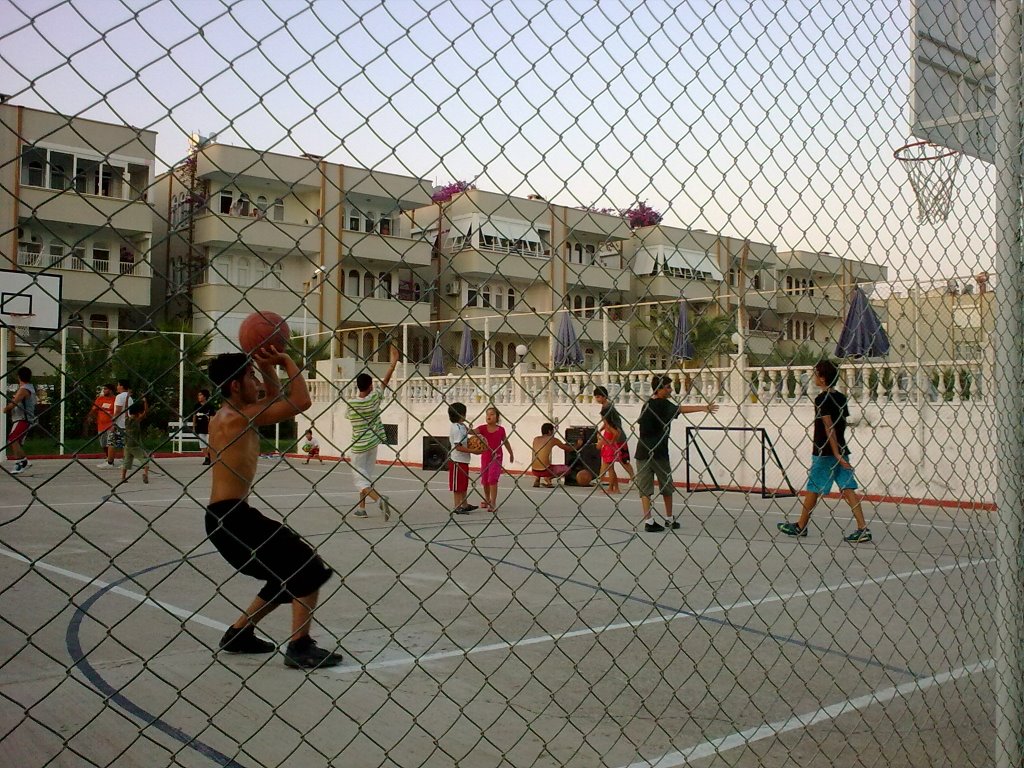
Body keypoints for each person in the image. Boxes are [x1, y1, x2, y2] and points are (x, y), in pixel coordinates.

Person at [205, 348, 342, 670]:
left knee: (285, 576)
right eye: (251, 376)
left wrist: (265, 367)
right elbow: (300, 402)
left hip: (229, 517)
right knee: (307, 568)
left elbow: (276, 395)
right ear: (236, 385)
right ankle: (300, 646)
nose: (257, 381)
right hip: (232, 519)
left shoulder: (234, 412)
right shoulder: (236, 417)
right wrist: (285, 361)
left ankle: (239, 633)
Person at [777, 360, 871, 543]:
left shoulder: (822, 399)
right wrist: (840, 450)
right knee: (848, 486)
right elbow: (841, 425)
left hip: (824, 451)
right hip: (840, 448)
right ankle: (862, 528)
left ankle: (800, 526)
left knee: (813, 487)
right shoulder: (841, 398)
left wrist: (835, 452)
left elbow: (829, 427)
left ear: (822, 377)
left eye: (816, 374)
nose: (814, 377)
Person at [635, 375, 718, 532]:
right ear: (659, 389)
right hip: (658, 452)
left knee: (645, 488)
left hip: (642, 450)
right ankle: (669, 518)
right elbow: (681, 409)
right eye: (667, 387)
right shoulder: (663, 405)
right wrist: (703, 408)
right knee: (666, 485)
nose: (670, 390)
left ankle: (649, 520)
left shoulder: (647, 405)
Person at [345, 344, 399, 520]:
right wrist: (392, 364)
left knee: (360, 480)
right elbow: (385, 381)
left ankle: (380, 500)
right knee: (366, 477)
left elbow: (348, 417)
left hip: (358, 446)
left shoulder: (352, 404)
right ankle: (362, 508)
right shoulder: (374, 398)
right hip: (373, 442)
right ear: (369, 385)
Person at [594, 386, 635, 493]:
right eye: (596, 397)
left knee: (623, 460)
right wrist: (601, 430)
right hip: (612, 435)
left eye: (598, 397)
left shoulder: (607, 408)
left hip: (617, 437)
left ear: (604, 396)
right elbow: (607, 424)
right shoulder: (606, 407)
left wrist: (605, 437)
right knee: (612, 463)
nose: (597, 399)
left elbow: (610, 425)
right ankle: (613, 486)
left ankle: (633, 479)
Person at [476, 406, 514, 512]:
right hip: (485, 456)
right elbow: (474, 431)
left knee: (492, 479)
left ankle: (493, 502)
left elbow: (505, 441)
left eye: (492, 414)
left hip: (496, 457)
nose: (489, 416)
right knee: (485, 479)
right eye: (487, 414)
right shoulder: (483, 428)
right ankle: (487, 499)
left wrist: (511, 453)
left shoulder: (500, 430)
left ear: (497, 417)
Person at [3, 366, 36, 475]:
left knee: (13, 439)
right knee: (16, 441)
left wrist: (6, 409)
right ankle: (21, 462)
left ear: (19, 377)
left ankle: (22, 462)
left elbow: (13, 403)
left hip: (23, 419)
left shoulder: (23, 390)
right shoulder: (29, 388)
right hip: (21, 419)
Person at [448, 401, 480, 513]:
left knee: (463, 484)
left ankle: (465, 504)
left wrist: (479, 434)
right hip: (457, 460)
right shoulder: (456, 428)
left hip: (464, 460)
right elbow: (458, 447)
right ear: (461, 414)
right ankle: (457, 506)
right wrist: (473, 450)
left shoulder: (462, 426)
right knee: (457, 486)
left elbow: (469, 431)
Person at [530, 423, 571, 488]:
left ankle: (537, 479)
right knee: (567, 469)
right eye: (553, 431)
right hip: (546, 471)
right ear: (549, 431)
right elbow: (568, 449)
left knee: (540, 459)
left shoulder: (536, 439)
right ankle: (548, 478)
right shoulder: (552, 439)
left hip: (534, 470)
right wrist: (578, 445)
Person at [120, 400, 150, 485]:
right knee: (145, 459)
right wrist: (145, 401)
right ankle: (145, 474)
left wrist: (127, 398)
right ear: (137, 413)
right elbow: (146, 411)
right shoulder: (137, 421)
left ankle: (123, 477)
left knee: (126, 461)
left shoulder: (126, 420)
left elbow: (125, 409)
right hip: (135, 445)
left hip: (127, 445)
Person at [106, 380, 134, 469]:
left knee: (111, 442)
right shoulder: (129, 398)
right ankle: (126, 462)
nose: (117, 387)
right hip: (127, 424)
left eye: (118, 385)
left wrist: (113, 423)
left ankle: (110, 463)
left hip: (119, 424)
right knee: (124, 444)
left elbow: (118, 411)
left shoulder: (119, 397)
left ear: (121, 386)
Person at [90, 383, 116, 469]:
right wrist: (91, 417)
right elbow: (94, 410)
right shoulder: (100, 399)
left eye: (106, 389)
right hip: (101, 425)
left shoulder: (115, 399)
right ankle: (108, 457)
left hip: (111, 425)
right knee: (103, 444)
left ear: (111, 390)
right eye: (103, 389)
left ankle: (110, 461)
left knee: (110, 443)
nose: (104, 391)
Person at [192, 389, 215, 465]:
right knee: (202, 443)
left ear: (205, 396)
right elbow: (194, 416)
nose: (199, 397)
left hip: (208, 427)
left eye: (201, 395)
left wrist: (211, 426)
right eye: (199, 395)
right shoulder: (196, 405)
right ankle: (206, 457)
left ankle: (209, 455)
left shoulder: (210, 406)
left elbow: (211, 417)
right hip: (200, 427)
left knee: (209, 443)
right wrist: (194, 426)